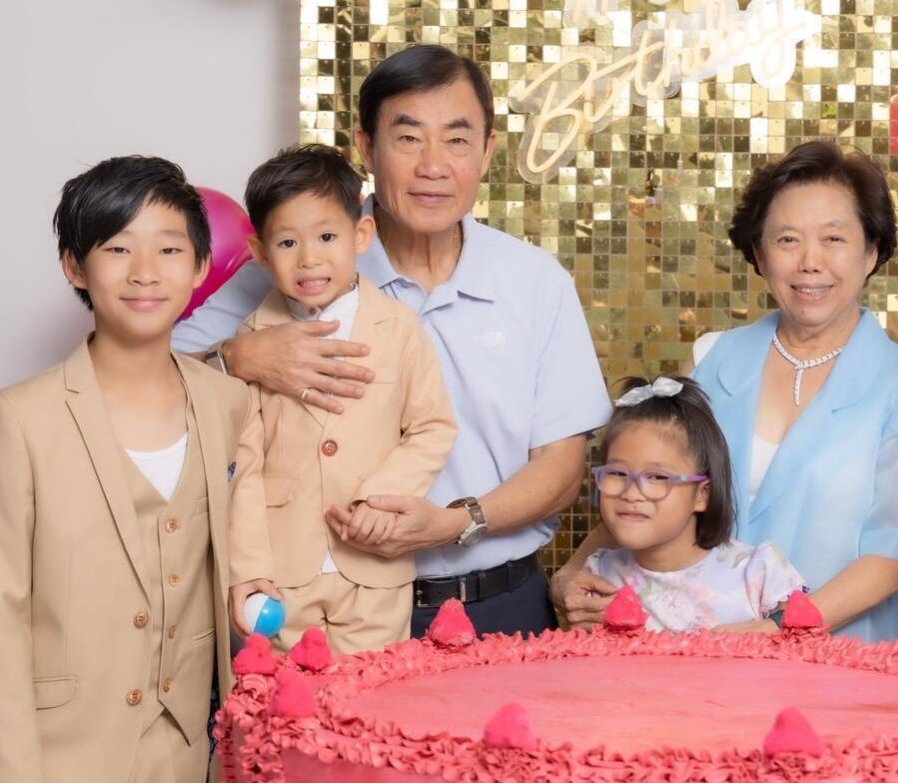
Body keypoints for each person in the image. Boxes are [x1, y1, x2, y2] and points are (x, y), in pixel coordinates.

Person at [173, 44, 610, 636]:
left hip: (500, 605)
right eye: (408, 138)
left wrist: (457, 522)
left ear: (487, 151)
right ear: (366, 147)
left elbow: (560, 469)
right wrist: (238, 357)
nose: (433, 165)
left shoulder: (535, 281)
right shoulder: (299, 264)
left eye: (456, 140)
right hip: (324, 608)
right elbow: (154, 381)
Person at [554, 140, 898, 642]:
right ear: (759, 253)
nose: (810, 262)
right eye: (787, 240)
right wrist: (571, 571)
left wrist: (774, 628)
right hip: (692, 661)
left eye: (834, 239)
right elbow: (651, 487)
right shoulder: (711, 358)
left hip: (841, 659)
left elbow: (893, 558)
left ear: (871, 251)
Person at [0, 156, 255, 782]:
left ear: (200, 266)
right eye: (118, 248)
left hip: (191, 750)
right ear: (75, 266)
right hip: (61, 754)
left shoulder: (229, 403)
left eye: (169, 249)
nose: (145, 272)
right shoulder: (17, 419)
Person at [225, 144, 457, 654]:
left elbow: (432, 427)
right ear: (260, 252)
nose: (309, 259)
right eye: (288, 242)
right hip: (283, 571)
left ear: (361, 235)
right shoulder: (253, 339)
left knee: (373, 695)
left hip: (375, 565)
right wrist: (249, 566)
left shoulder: (399, 327)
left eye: (327, 237)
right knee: (281, 698)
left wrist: (381, 497)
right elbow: (243, 465)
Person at [583, 376, 805, 632]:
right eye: (617, 473)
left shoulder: (759, 571)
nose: (631, 493)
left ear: (702, 495)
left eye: (657, 477)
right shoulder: (598, 574)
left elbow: (804, 637)